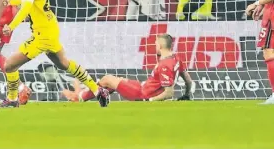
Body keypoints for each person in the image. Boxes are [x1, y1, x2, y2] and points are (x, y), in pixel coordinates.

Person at [0, 0, 109, 108]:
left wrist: (12, 26)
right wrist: (13, 1)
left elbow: (27, 6)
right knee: (64, 64)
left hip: (42, 34)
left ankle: (12, 99)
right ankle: (98, 91)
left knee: (9, 65)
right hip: (50, 29)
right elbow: (30, 0)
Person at [62, 34, 193, 102]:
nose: (154, 46)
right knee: (112, 81)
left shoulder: (165, 65)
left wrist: (150, 100)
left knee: (107, 79)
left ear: (160, 46)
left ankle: (79, 97)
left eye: (155, 44)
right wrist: (187, 95)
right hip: (143, 87)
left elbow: (169, 92)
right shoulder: (176, 59)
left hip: (142, 94)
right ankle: (81, 97)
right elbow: (188, 80)